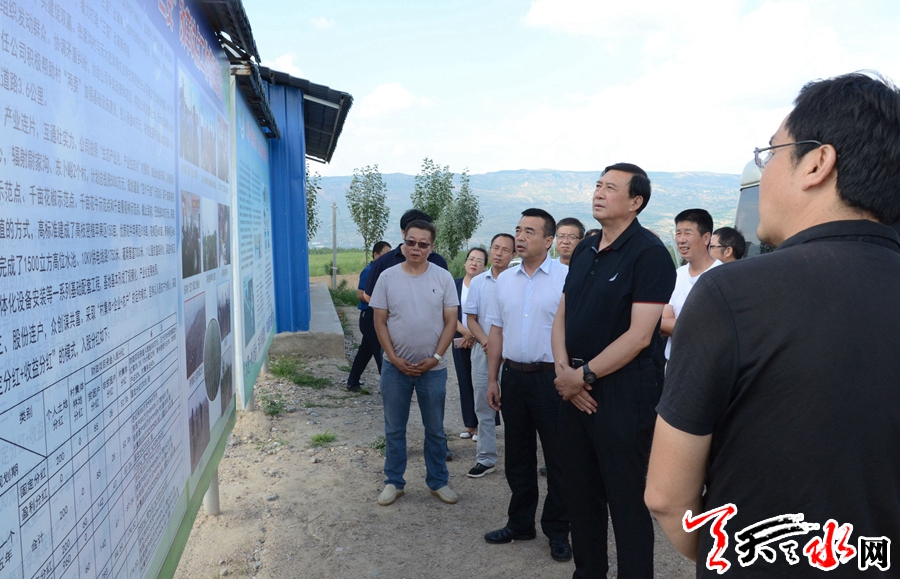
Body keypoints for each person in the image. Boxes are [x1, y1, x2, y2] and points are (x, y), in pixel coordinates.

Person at [645, 72, 900, 577]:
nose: (763, 171)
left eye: (771, 153)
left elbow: (667, 498)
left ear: (817, 163)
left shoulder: (731, 294)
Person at [552, 163, 676, 578]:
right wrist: (564, 372)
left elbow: (640, 335)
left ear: (636, 202)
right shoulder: (585, 249)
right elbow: (563, 314)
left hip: (623, 394)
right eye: (598, 185)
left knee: (625, 500)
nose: (599, 193)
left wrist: (583, 376)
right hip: (574, 388)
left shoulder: (649, 253)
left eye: (610, 188)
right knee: (580, 495)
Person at [484, 209, 572, 563]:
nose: (520, 237)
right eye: (518, 230)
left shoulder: (566, 277)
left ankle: (558, 530)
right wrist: (493, 378)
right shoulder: (505, 279)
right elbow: (496, 330)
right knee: (517, 456)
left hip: (552, 379)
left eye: (530, 232)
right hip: (514, 377)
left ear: (549, 241)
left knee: (559, 457)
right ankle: (520, 523)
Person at [370, 220, 459, 506]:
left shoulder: (443, 278)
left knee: (435, 429)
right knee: (394, 428)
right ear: (403, 242)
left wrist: (435, 358)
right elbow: (379, 322)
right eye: (411, 242)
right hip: (394, 368)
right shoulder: (387, 277)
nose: (416, 248)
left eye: (423, 244)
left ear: (432, 247)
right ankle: (394, 482)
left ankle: (438, 481)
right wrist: (394, 358)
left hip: (433, 369)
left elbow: (451, 322)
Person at [463, 233, 516, 478]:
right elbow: (471, 319)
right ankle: (485, 458)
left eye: (505, 250)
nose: (499, 253)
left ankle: (517, 460)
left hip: (512, 355)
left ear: (513, 255)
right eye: (495, 248)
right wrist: (487, 342)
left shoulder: (517, 281)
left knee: (515, 408)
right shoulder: (478, 282)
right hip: (483, 351)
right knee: (484, 406)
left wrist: (503, 347)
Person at [660, 209, 721, 360]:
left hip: (707, 363)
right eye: (678, 233)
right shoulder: (678, 274)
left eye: (687, 233)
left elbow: (709, 329)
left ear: (706, 238)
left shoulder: (721, 275)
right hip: (674, 362)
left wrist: (673, 325)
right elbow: (663, 323)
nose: (681, 240)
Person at [364, 209, 448, 302]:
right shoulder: (383, 262)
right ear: (404, 233)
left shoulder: (438, 262)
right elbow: (369, 295)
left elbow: (447, 297)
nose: (416, 247)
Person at [452, 247, 488, 439]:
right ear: (465, 262)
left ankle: (484, 426)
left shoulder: (486, 285)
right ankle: (470, 425)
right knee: (464, 381)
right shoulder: (454, 285)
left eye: (479, 260)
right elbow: (448, 313)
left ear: (485, 266)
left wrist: (474, 335)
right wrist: (465, 333)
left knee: (483, 384)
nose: (474, 263)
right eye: (471, 259)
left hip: (482, 340)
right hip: (460, 339)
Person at [347, 241, 391, 392]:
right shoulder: (369, 271)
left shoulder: (385, 272)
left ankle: (352, 382)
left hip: (377, 315)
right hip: (369, 316)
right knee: (380, 351)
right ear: (376, 255)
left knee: (365, 351)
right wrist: (380, 303)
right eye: (385, 255)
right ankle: (389, 387)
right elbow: (361, 294)